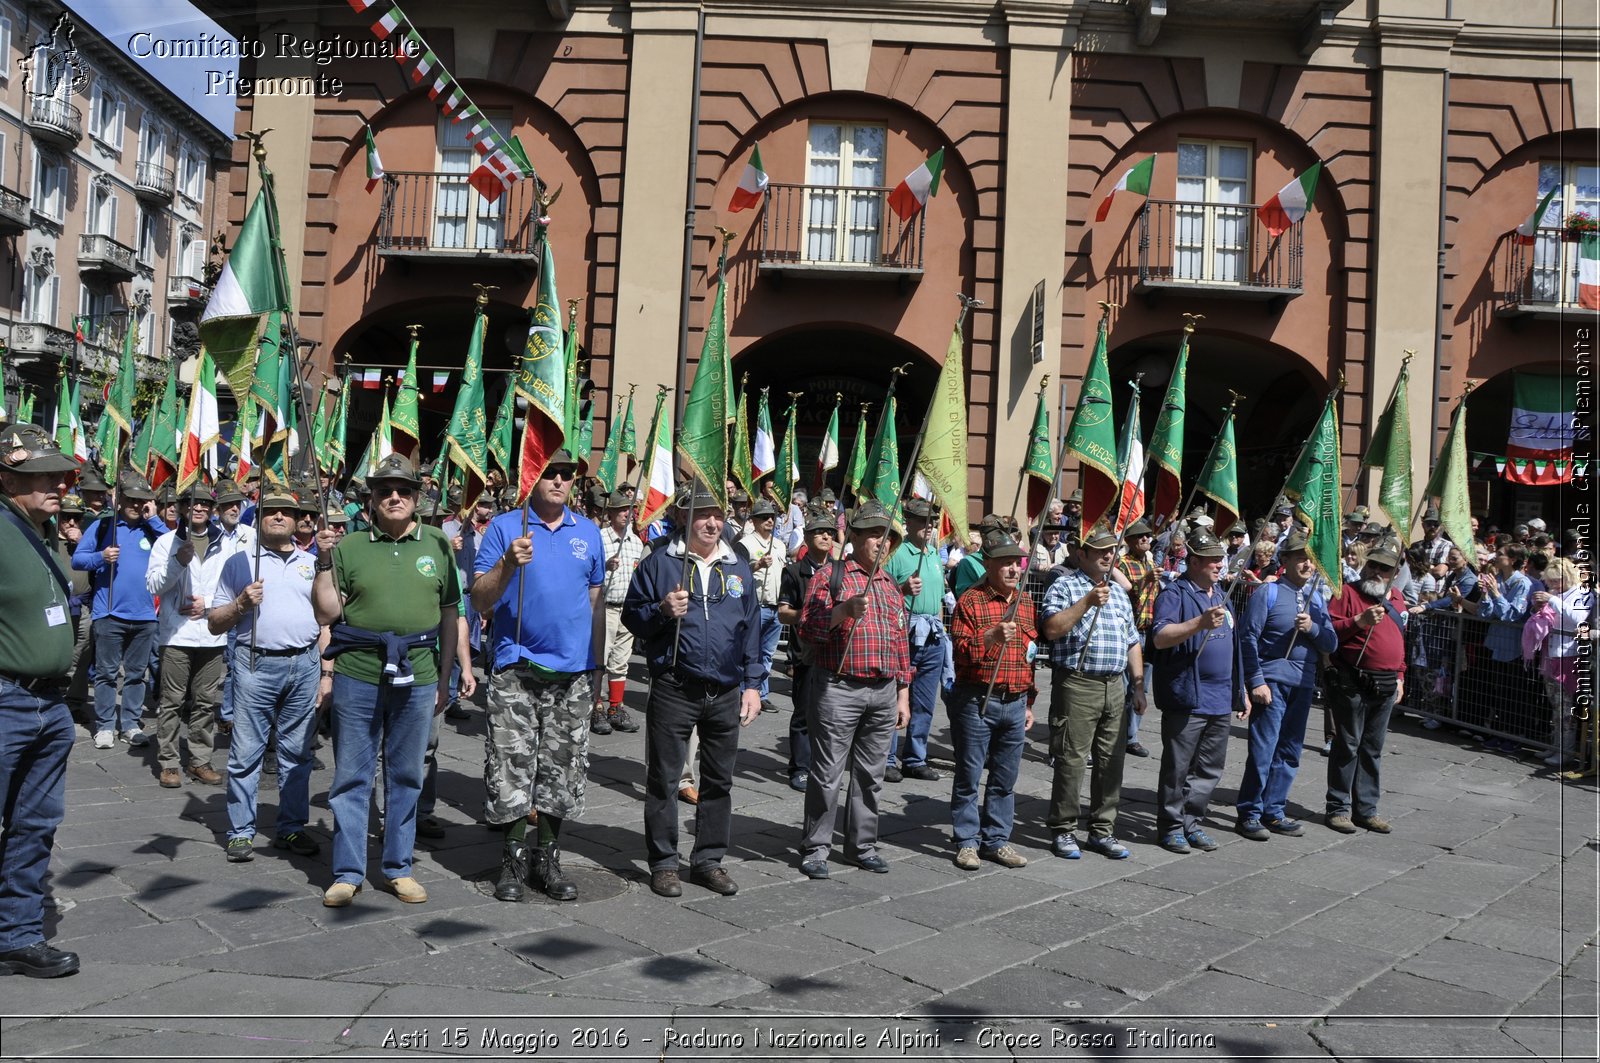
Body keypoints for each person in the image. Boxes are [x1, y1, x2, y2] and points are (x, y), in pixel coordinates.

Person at [312, 453, 470, 907]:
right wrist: (323, 560)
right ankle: (346, 871)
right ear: (372, 500)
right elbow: (326, 612)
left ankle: (398, 867)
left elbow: (448, 615)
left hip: (418, 678)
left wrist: (445, 678)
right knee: (352, 777)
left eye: (403, 491)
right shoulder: (348, 548)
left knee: (405, 775)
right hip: (358, 676)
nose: (394, 497)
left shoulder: (438, 544)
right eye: (385, 491)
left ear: (417, 498)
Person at [471, 450, 605, 902]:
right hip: (515, 667)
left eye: (568, 475)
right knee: (510, 765)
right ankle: (511, 857)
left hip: (573, 673)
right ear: (535, 475)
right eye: (551, 472)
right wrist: (508, 564)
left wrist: (594, 663)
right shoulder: (506, 527)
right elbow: (479, 599)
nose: (560, 480)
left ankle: (546, 857)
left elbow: (593, 600)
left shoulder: (587, 532)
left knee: (562, 768)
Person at [622, 480, 763, 898]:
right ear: (684, 516)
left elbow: (751, 627)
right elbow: (634, 617)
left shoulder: (736, 563)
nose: (713, 522)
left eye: (719, 515)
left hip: (724, 690)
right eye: (704, 514)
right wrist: (662, 611)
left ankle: (708, 861)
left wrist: (754, 684)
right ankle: (664, 863)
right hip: (674, 687)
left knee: (719, 781)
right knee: (664, 779)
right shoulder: (660, 561)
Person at [210, 483, 334, 862]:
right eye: (270, 510)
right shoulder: (240, 563)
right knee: (246, 753)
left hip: (305, 665)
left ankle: (291, 828)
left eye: (286, 512)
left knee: (297, 754)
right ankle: (241, 831)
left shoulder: (312, 563)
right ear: (259, 517)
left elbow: (326, 621)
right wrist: (241, 603)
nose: (279, 516)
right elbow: (215, 622)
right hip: (255, 665)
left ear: (299, 522)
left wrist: (326, 672)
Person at [0, 424, 84, 978]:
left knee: (36, 824)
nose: (57, 484)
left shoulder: (47, 531)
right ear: (7, 476)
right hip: (5, 699)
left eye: (58, 474)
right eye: (42, 475)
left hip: (51, 705)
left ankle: (18, 935)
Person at [796, 500, 912, 880]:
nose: (882, 541)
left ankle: (862, 845)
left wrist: (902, 692)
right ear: (856, 537)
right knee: (827, 774)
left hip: (882, 690)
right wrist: (843, 611)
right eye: (875, 534)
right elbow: (807, 629)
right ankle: (816, 848)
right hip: (838, 688)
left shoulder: (890, 585)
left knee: (871, 776)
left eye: (887, 535)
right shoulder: (832, 576)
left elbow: (899, 641)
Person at [1039, 520, 1145, 861]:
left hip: (1115, 685)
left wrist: (1139, 684)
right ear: (1081, 554)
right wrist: (1086, 601)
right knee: (1071, 760)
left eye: (1112, 551)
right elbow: (1052, 629)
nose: (1108, 557)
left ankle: (1102, 830)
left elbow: (1132, 640)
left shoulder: (1118, 593)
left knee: (1111, 762)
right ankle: (1064, 829)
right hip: (1078, 682)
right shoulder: (1065, 586)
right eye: (1100, 551)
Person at [1234, 530, 1337, 840]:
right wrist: (1256, 681)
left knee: (1290, 751)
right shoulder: (1269, 593)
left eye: (1311, 560)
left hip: (1303, 684)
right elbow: (1248, 638)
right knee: (1263, 751)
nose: (1307, 565)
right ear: (1286, 561)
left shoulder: (1317, 598)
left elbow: (1331, 642)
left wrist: (1314, 627)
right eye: (1301, 558)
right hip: (1272, 682)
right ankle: (1250, 812)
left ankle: (1274, 811)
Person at [1150, 527, 1246, 854]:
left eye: (1220, 559)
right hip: (1187, 697)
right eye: (1211, 560)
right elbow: (1161, 637)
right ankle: (1171, 826)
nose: (1219, 565)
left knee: (1208, 769)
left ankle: (1192, 822)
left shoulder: (1220, 594)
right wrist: (1198, 624)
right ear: (1193, 562)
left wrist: (1240, 689)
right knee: (1178, 768)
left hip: (1219, 699)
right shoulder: (1174, 594)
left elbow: (1235, 646)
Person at [947, 531, 1036, 869]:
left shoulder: (1025, 601)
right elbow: (961, 653)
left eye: (1017, 562)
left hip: (1014, 700)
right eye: (1006, 563)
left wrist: (1029, 700)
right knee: (969, 775)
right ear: (989, 564)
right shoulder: (970, 600)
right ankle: (967, 842)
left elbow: (1029, 655)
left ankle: (996, 840)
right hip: (977, 699)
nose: (1014, 569)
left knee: (1005, 778)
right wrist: (991, 635)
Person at [73, 471, 168, 749]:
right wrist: (100, 557)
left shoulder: (152, 528)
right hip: (109, 613)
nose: (137, 505)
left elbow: (176, 548)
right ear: (120, 499)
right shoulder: (105, 527)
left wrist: (155, 519)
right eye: (132, 499)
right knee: (106, 673)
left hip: (145, 615)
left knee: (137, 674)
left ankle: (129, 724)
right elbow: (78, 560)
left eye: (142, 500)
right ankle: (104, 726)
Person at [1323, 533, 1408, 834]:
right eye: (1373, 564)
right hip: (1352, 681)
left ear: (1394, 574)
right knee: (1347, 745)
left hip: (1386, 685)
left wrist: (1400, 676)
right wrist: (1358, 622)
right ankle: (1338, 808)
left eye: (1384, 568)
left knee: (1372, 748)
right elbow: (1328, 633)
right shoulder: (1346, 593)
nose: (1376, 571)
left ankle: (1366, 810)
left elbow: (1400, 641)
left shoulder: (1396, 599)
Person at [146, 486, 229, 788]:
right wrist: (178, 562)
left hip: (212, 635)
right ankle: (168, 762)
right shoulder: (167, 542)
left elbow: (232, 587)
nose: (199, 508)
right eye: (192, 503)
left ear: (212, 508)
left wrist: (206, 603)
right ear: (181, 507)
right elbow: (154, 585)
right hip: (177, 635)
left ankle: (199, 760)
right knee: (172, 702)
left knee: (206, 702)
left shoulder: (225, 542)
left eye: (206, 503)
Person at [882, 497, 946, 783]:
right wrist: (903, 589)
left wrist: (942, 627)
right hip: (905, 633)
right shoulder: (897, 553)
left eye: (932, 521)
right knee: (896, 694)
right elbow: (882, 593)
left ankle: (915, 757)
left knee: (925, 700)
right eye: (923, 521)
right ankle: (886, 757)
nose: (929, 526)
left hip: (931, 634)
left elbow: (940, 598)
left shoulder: (933, 555)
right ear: (909, 523)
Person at [776, 506, 837, 792]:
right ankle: (800, 767)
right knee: (803, 713)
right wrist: (809, 617)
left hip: (835, 652)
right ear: (808, 536)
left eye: (830, 533)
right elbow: (783, 612)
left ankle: (822, 766)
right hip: (806, 651)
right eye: (820, 532)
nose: (826, 536)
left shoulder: (841, 570)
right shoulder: (794, 571)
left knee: (830, 714)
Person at [1521, 559, 1596, 770]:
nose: (1553, 585)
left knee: (1565, 708)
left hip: (1568, 656)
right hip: (1550, 654)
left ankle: (1566, 752)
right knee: (1555, 706)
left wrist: (1552, 600)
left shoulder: (1583, 594)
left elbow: (1577, 618)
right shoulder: (1558, 594)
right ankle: (1555, 746)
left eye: (1557, 581)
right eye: (1550, 581)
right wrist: (1538, 608)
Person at [594, 490, 643, 734]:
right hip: (605, 607)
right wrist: (605, 566)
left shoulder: (636, 541)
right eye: (622, 510)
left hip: (627, 609)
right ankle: (597, 707)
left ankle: (616, 706)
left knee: (621, 662)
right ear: (611, 513)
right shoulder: (599, 538)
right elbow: (588, 573)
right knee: (599, 659)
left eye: (630, 510)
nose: (627, 514)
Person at [1112, 518, 1159, 759]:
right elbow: (1124, 592)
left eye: (1147, 536)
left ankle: (1132, 736)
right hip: (1130, 632)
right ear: (1129, 541)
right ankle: (1117, 734)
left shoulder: (1152, 562)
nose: (1145, 539)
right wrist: (1146, 581)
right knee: (1122, 688)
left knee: (1141, 687)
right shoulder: (1122, 563)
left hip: (1149, 631)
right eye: (1139, 536)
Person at [735, 497, 787, 713]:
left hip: (775, 606)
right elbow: (736, 577)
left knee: (767, 654)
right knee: (749, 652)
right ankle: (742, 691)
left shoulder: (779, 545)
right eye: (764, 517)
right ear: (754, 520)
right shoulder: (744, 544)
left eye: (771, 517)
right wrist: (756, 565)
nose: (769, 521)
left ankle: (761, 693)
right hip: (755, 606)